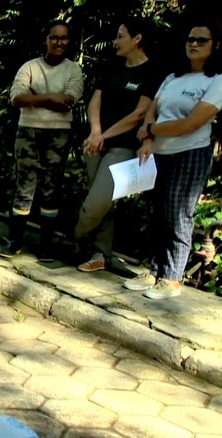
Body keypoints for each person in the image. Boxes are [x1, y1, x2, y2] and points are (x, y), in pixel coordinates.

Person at [128, 18, 222, 299]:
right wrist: (147, 138)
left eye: (201, 40)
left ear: (215, 45)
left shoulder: (217, 80)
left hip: (191, 153)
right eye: (190, 39)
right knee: (157, 213)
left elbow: (190, 124)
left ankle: (172, 277)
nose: (193, 44)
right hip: (158, 153)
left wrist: (150, 130)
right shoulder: (172, 77)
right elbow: (152, 110)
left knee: (178, 213)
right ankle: (155, 270)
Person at [73, 17, 162, 273]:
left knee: (95, 204)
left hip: (122, 147)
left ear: (137, 39)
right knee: (102, 203)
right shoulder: (113, 66)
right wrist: (95, 132)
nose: (115, 41)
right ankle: (100, 254)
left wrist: (105, 136)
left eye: (121, 36)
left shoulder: (152, 71)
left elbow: (139, 113)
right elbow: (95, 101)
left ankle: (76, 238)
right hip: (95, 144)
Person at [2, 20, 84, 260]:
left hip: (58, 134)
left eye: (64, 38)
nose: (59, 42)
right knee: (24, 187)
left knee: (51, 189)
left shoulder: (73, 69)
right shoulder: (29, 67)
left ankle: (45, 247)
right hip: (28, 131)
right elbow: (16, 98)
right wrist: (51, 98)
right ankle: (15, 241)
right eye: (54, 37)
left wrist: (36, 97)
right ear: (46, 39)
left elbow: (69, 101)